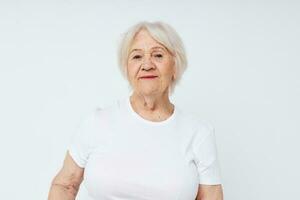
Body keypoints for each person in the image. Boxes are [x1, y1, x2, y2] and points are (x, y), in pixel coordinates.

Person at [48, 21, 224, 200]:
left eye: (158, 55)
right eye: (137, 57)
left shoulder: (199, 133)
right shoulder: (97, 123)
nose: (147, 65)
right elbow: (65, 186)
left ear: (175, 65)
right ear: (126, 68)